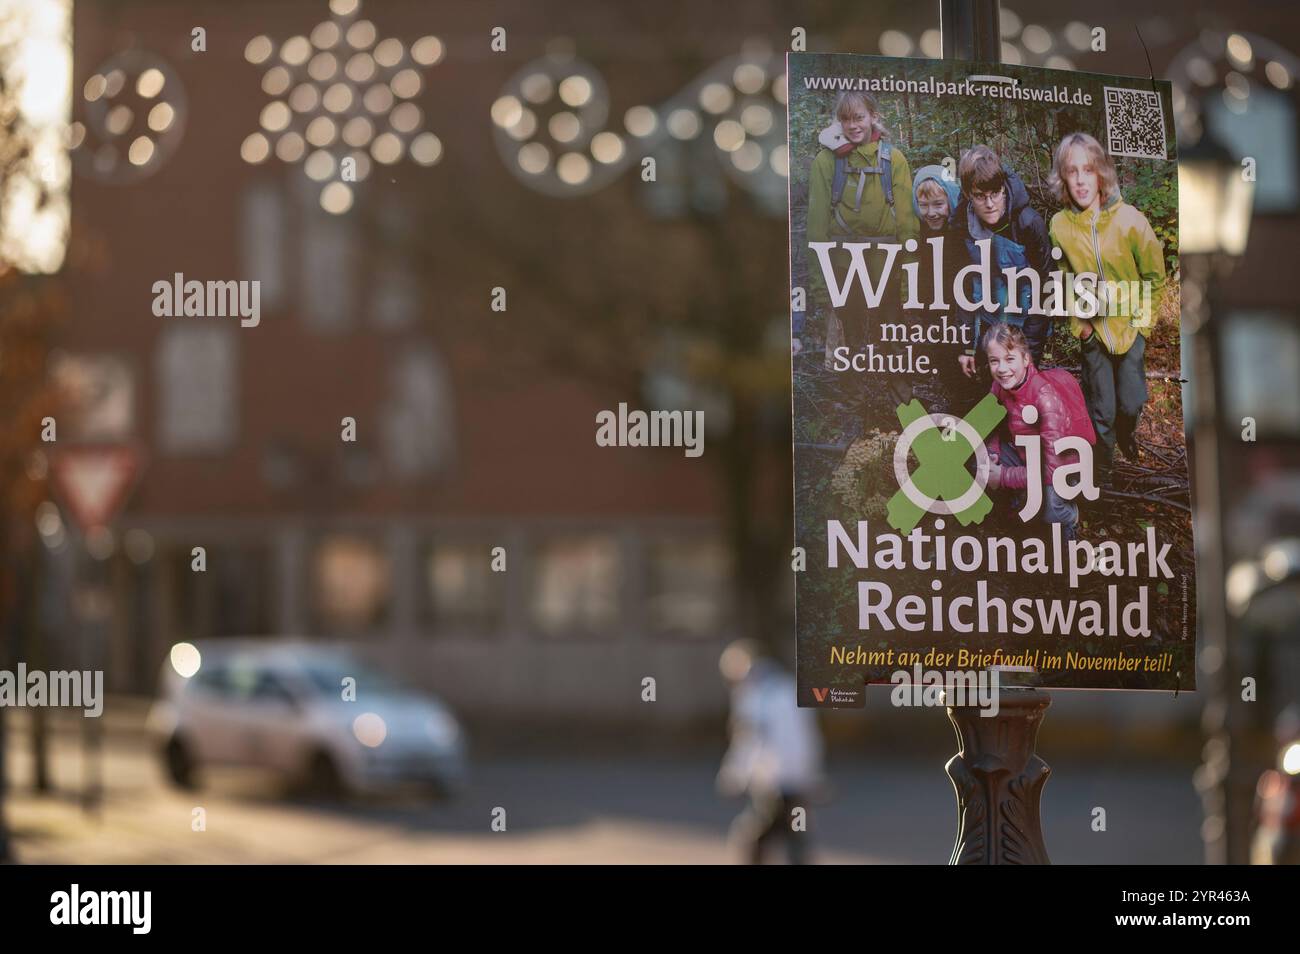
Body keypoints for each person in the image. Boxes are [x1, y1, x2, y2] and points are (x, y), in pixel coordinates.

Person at [1047, 131, 1167, 483]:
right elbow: (1064, 276)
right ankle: (1104, 468)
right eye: (1072, 171)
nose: (1081, 180)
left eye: (1088, 169)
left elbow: (1154, 277)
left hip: (1130, 327)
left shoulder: (1130, 220)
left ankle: (1127, 432)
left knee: (1130, 403)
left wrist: (1142, 326)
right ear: (1063, 177)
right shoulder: (1060, 226)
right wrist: (1080, 325)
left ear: (1101, 172)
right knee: (1102, 409)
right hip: (1093, 330)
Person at [796, 90, 919, 407]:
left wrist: (908, 282)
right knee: (850, 338)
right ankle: (855, 406)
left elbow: (908, 225)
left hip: (888, 269)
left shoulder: (895, 160)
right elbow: (816, 226)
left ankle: (901, 406)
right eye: (846, 119)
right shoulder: (826, 162)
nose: (853, 125)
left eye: (859, 117)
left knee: (894, 337)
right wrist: (821, 288)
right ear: (839, 121)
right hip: (844, 269)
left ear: (874, 117)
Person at [982, 321, 1096, 541]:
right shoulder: (999, 386)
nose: (1002, 369)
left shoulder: (1045, 398)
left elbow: (1053, 469)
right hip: (1029, 454)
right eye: (994, 361)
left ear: (1026, 359)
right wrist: (992, 453)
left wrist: (1003, 476)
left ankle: (1069, 518)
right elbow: (991, 426)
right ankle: (1023, 500)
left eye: (1009, 359)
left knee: (1051, 508)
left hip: (1062, 466)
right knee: (979, 461)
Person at [717, 640, 823, 865]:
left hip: (773, 782)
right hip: (797, 778)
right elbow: (809, 736)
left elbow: (749, 742)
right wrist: (812, 773)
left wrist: (734, 775)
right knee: (795, 836)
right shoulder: (789, 688)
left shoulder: (752, 698)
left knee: (754, 838)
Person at [954, 145, 1054, 379]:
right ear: (968, 194)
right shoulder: (960, 223)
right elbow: (962, 288)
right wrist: (966, 346)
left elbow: (1046, 288)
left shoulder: (1028, 223)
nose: (990, 204)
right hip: (986, 325)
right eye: (980, 196)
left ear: (1003, 190)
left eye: (995, 193)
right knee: (988, 397)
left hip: (1026, 324)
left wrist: (1030, 351)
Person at [911, 163, 982, 408]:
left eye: (938, 205)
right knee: (944, 366)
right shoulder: (916, 235)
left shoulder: (961, 235)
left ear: (950, 201)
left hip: (960, 316)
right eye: (924, 205)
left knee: (964, 371)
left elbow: (968, 289)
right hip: (932, 317)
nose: (931, 213)